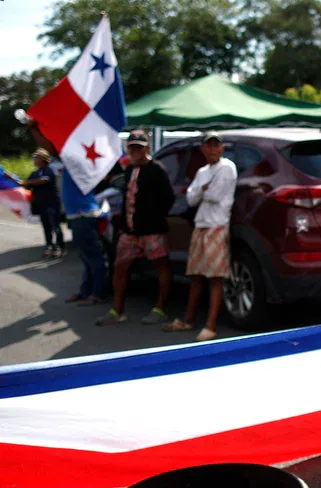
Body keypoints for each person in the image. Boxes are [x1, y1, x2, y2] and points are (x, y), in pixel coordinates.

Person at [21, 118, 107, 305]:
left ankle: (97, 294)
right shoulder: (77, 162)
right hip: (79, 215)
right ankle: (86, 291)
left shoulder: (78, 162)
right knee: (86, 256)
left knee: (92, 257)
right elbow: (51, 149)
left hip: (83, 215)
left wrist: (35, 130)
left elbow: (50, 148)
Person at [96, 130, 176, 326]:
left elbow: (168, 199)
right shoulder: (130, 169)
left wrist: (153, 217)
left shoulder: (157, 169)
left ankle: (160, 308)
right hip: (130, 231)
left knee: (161, 266)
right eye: (132, 147)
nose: (135, 151)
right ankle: (117, 310)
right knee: (120, 267)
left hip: (153, 230)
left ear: (147, 148)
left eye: (139, 147)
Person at [162, 131, 236, 342]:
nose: (212, 149)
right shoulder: (203, 171)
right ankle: (189, 319)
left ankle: (210, 326)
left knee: (214, 278)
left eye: (216, 145)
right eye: (208, 145)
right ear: (203, 149)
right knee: (195, 276)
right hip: (201, 226)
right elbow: (191, 198)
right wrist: (203, 189)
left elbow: (213, 195)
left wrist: (202, 190)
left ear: (222, 148)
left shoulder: (228, 167)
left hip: (216, 227)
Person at [18, 148, 65, 258]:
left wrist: (27, 182)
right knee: (46, 226)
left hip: (52, 203)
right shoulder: (35, 173)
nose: (34, 160)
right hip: (41, 203)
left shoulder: (49, 170)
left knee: (55, 226)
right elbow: (25, 184)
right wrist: (10, 179)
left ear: (43, 159)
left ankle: (60, 246)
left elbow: (44, 180)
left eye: (36, 157)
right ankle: (49, 245)